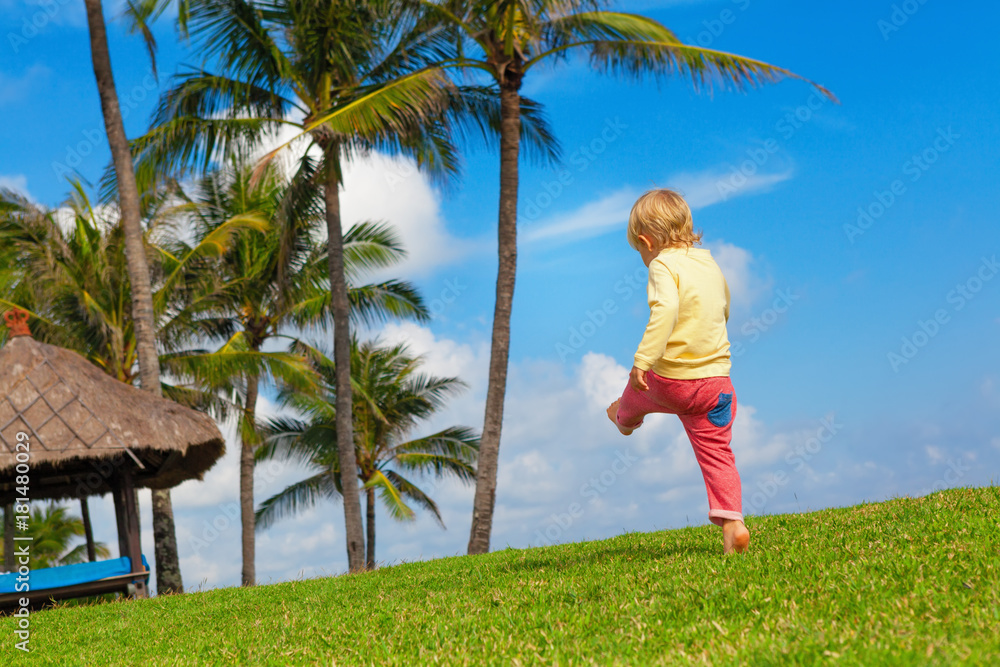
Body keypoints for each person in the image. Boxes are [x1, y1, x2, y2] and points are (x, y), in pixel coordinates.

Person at [607, 188, 750, 555]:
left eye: (639, 251)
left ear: (646, 241)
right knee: (717, 453)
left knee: (635, 392)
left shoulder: (661, 265)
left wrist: (642, 359)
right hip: (717, 386)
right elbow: (724, 307)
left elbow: (665, 311)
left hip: (672, 381)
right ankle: (733, 524)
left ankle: (622, 416)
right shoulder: (709, 263)